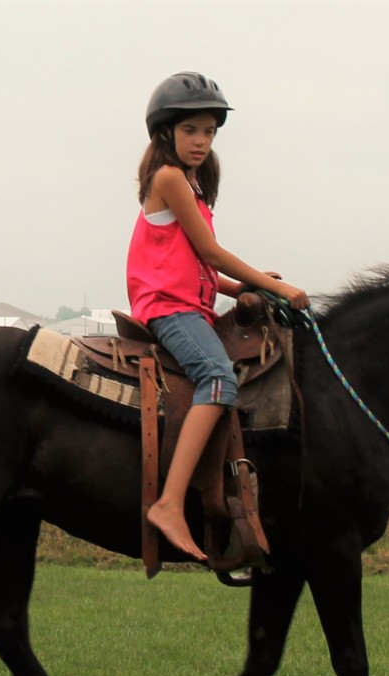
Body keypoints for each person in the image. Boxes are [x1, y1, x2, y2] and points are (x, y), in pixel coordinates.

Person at [127, 71, 310, 562]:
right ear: (166, 133)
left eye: (209, 132)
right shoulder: (168, 178)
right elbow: (209, 250)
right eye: (191, 131)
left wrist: (242, 288)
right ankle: (169, 502)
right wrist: (277, 287)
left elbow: (195, 262)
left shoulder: (189, 184)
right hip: (170, 310)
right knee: (217, 378)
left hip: (189, 302)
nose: (202, 141)